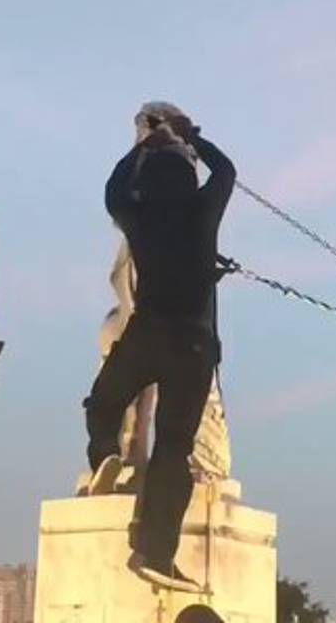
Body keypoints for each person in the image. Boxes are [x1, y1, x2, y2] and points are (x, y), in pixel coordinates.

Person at [83, 108, 235, 593]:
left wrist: (142, 148)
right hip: (193, 344)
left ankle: (105, 451)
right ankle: (154, 551)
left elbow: (113, 192)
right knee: (174, 448)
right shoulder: (202, 209)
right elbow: (227, 172)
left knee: (105, 401)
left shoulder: (139, 216)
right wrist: (194, 139)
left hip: (148, 333)